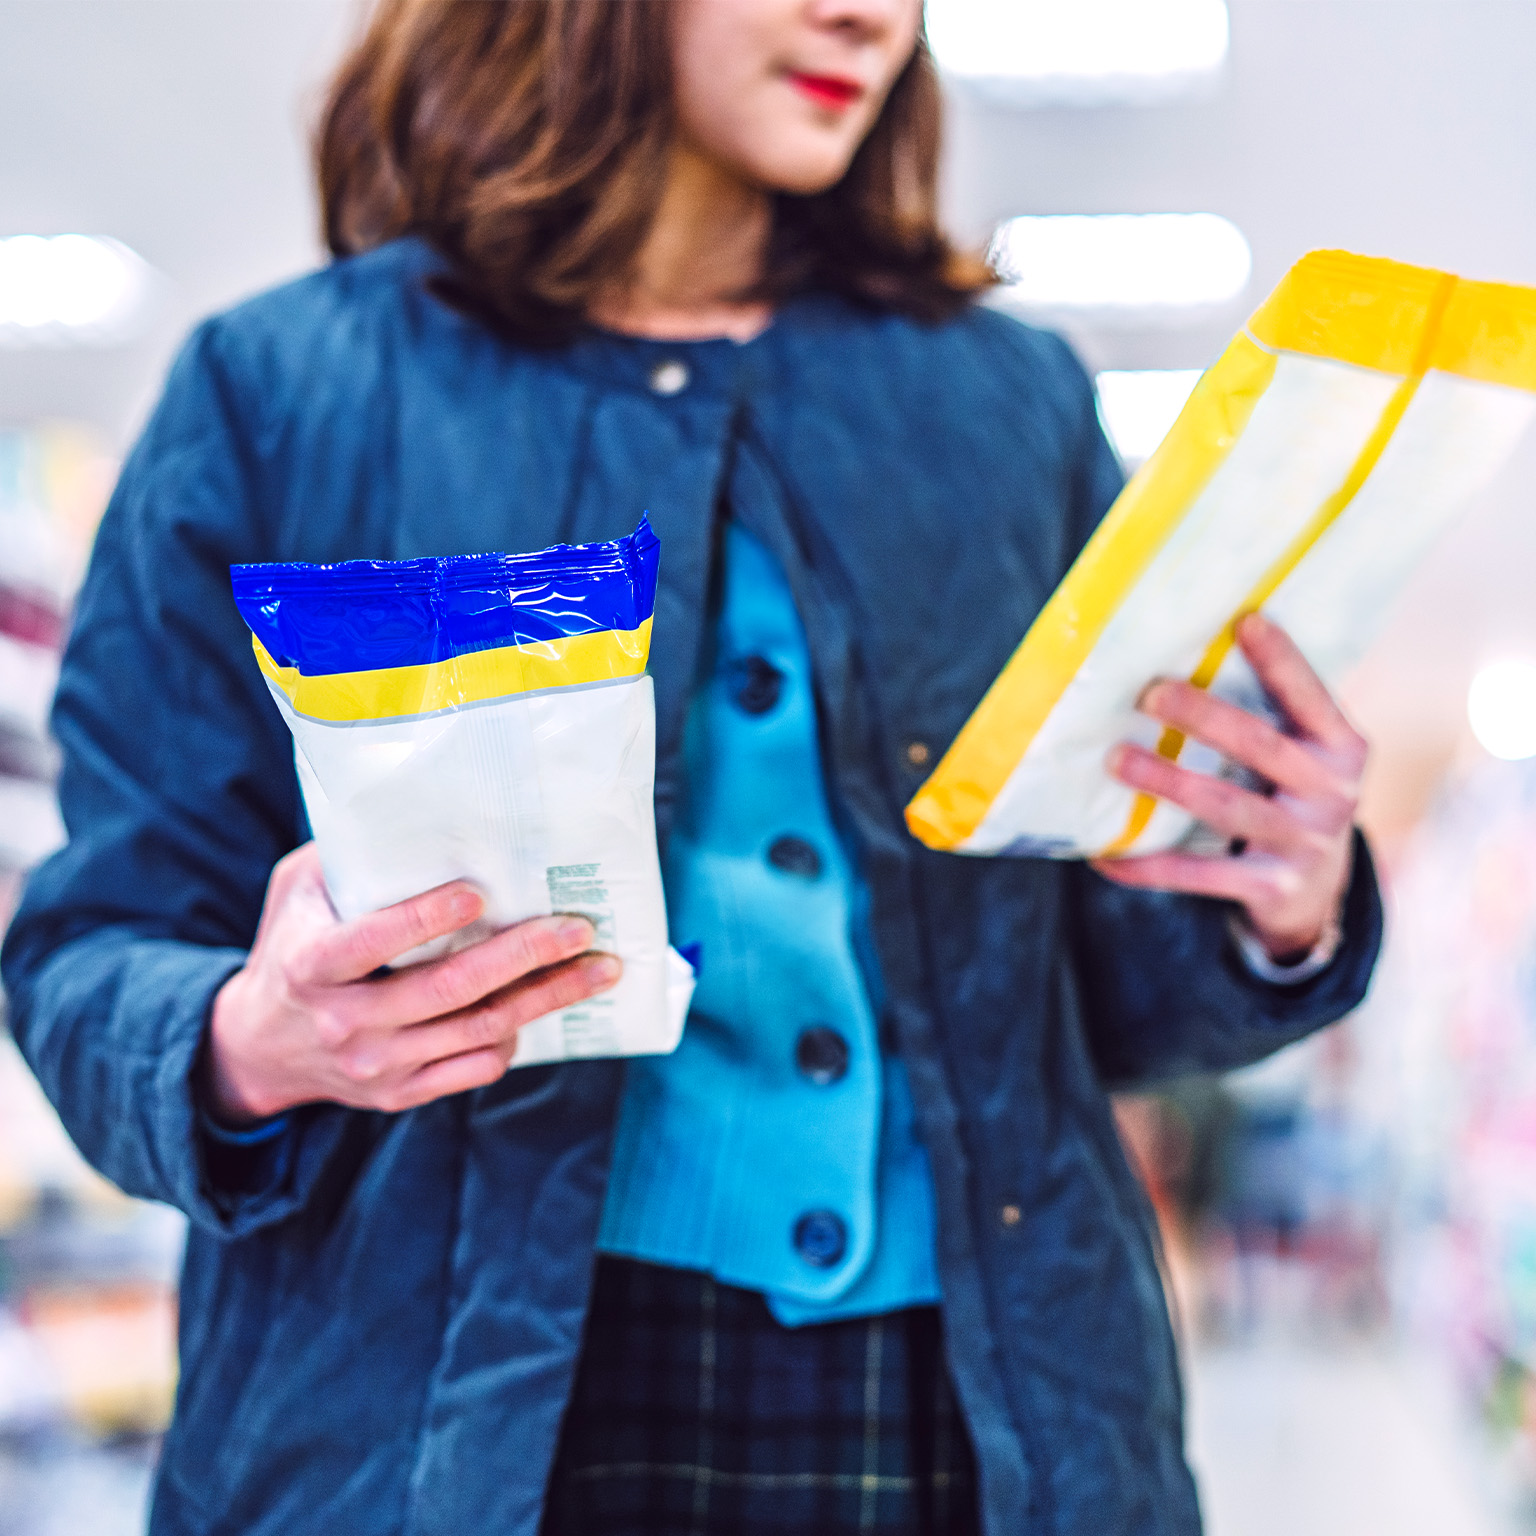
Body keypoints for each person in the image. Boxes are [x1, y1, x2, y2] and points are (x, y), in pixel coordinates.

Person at [0, 1, 1382, 1532]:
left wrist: (1270, 896)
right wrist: (256, 1039)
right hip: (440, 1432)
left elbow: (1086, 990)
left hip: (982, 1415)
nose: (870, 13)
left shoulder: (1012, 407)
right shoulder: (281, 394)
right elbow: (91, 943)